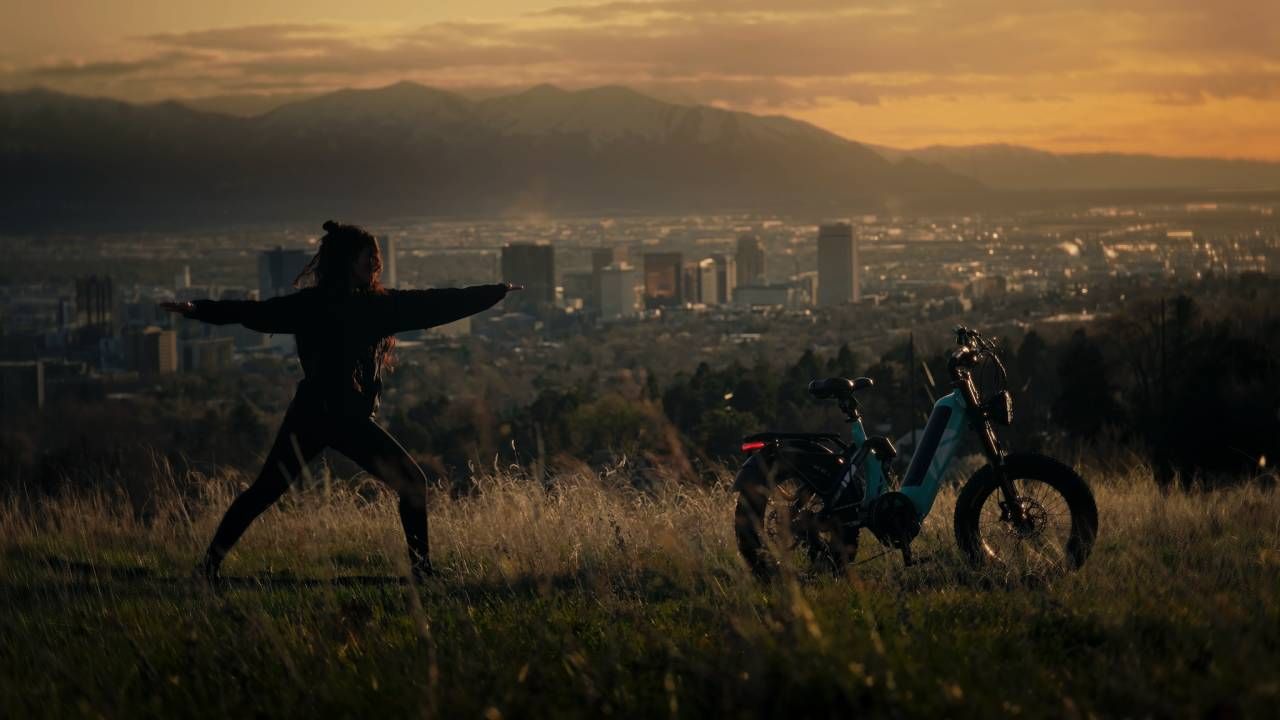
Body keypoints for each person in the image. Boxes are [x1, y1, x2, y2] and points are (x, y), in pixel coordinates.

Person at [161, 220, 522, 583]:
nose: (375, 264)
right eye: (368, 258)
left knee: (268, 491)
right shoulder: (354, 306)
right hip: (333, 418)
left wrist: (493, 292)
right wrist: (198, 308)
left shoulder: (356, 305)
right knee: (404, 483)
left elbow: (437, 303)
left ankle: (208, 568)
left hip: (320, 416)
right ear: (348, 261)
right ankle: (421, 572)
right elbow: (253, 313)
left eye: (376, 258)